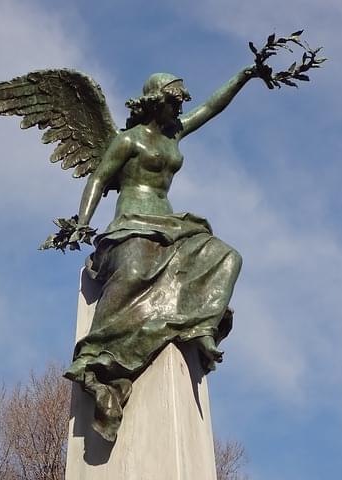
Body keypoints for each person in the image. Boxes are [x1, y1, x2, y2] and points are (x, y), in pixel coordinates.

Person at [64, 67, 255, 442]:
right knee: (134, 271)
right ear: (156, 102)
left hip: (171, 224)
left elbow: (211, 107)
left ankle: (201, 326)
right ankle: (99, 356)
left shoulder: (175, 133)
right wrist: (81, 222)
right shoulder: (128, 141)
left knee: (227, 256)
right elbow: (99, 178)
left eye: (179, 104)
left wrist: (245, 76)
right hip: (132, 224)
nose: (179, 109)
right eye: (173, 103)